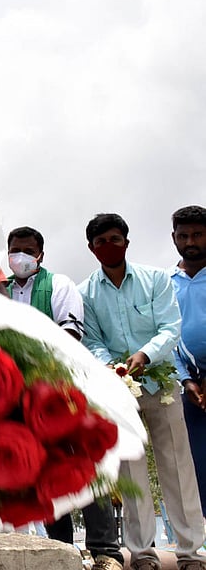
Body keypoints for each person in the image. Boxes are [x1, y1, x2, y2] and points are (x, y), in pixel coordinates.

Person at [79, 213, 205, 570]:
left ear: (127, 243)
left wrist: (144, 355)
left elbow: (170, 326)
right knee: (130, 474)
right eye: (101, 242)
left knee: (177, 467)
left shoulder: (155, 280)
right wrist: (112, 367)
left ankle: (190, 552)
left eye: (115, 240)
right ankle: (143, 553)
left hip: (162, 386)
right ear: (92, 248)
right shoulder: (85, 292)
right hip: (119, 392)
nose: (109, 247)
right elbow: (93, 340)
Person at [5, 226, 121, 570]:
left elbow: (70, 332)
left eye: (27, 250)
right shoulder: (2, 290)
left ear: (41, 255)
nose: (20, 257)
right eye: (14, 250)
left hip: (58, 388)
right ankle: (62, 549)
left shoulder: (59, 285)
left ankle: (106, 552)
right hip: (19, 396)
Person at [169, 205, 206, 518]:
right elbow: (167, 338)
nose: (190, 240)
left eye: (197, 234)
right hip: (191, 389)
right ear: (174, 238)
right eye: (184, 235)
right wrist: (186, 380)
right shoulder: (167, 284)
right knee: (199, 463)